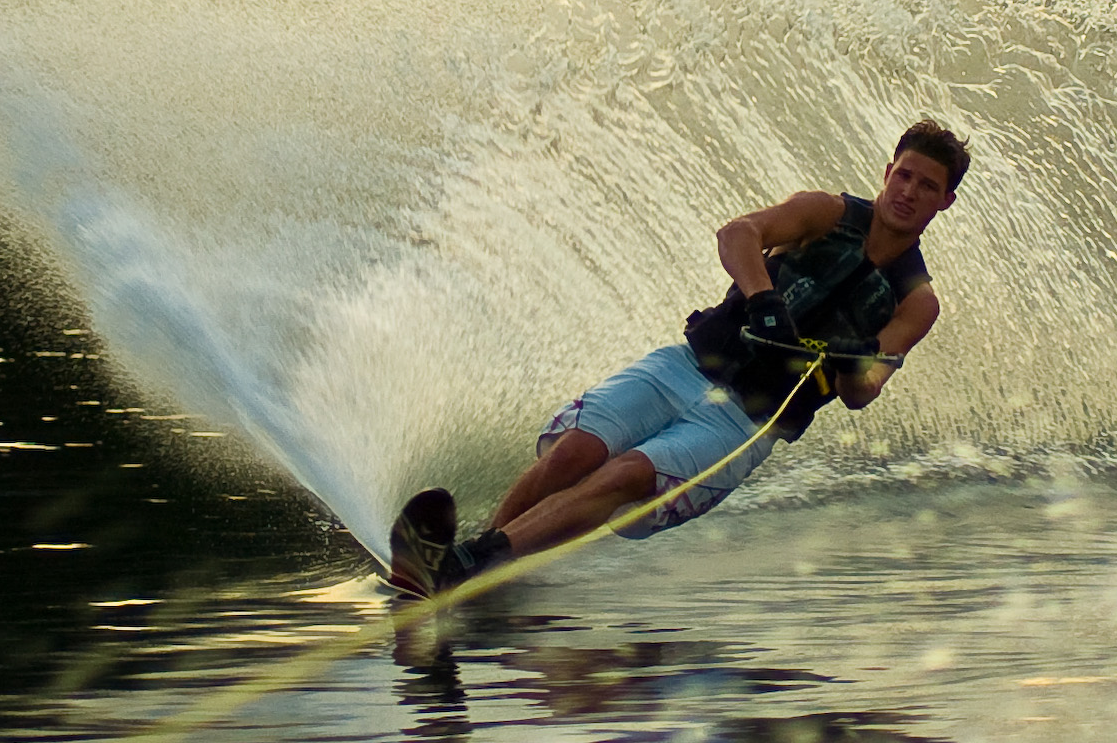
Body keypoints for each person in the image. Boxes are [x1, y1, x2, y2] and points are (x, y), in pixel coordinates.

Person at [388, 119, 970, 597]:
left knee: (628, 472)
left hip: (743, 422)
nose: (908, 192)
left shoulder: (916, 302)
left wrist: (852, 357)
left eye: (926, 186)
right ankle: (474, 568)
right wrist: (763, 298)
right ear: (887, 171)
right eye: (904, 175)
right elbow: (738, 233)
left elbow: (864, 391)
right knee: (577, 453)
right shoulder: (825, 213)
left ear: (944, 201)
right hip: (684, 366)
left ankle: (472, 566)